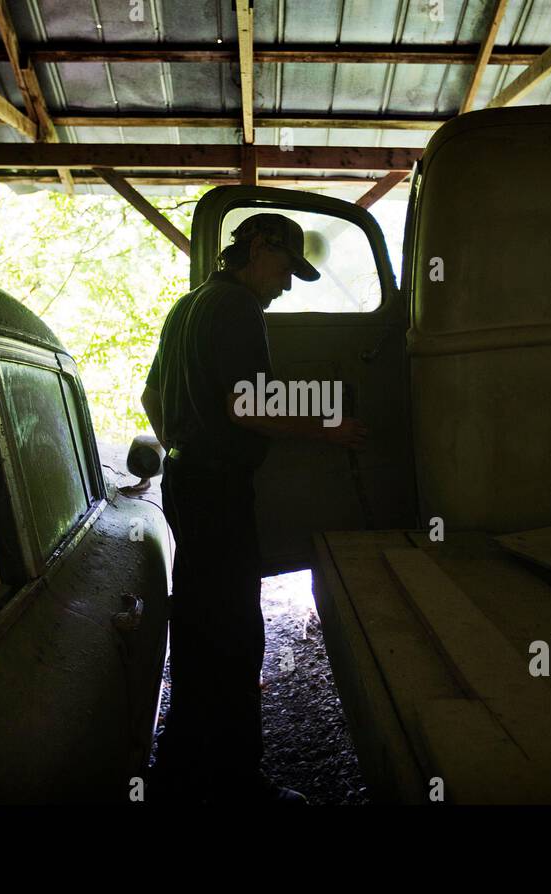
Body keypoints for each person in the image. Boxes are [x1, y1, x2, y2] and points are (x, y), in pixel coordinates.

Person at [140, 213, 366, 804]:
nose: (287, 285)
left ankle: (182, 765)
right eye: (286, 269)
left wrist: (184, 446)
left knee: (195, 626)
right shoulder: (238, 308)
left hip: (185, 481)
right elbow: (248, 405)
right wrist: (326, 427)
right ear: (257, 249)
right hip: (217, 489)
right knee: (237, 632)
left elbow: (149, 395)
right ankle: (237, 783)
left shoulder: (186, 306)